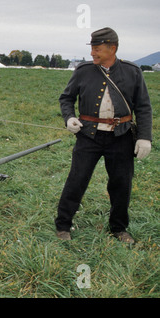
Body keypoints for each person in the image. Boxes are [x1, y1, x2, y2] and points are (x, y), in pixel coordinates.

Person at [55, 27, 152, 243]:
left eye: (97, 49)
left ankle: (119, 228)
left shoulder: (133, 72)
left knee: (121, 184)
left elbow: (144, 107)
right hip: (88, 136)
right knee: (76, 180)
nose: (92, 54)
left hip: (122, 136)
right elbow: (66, 98)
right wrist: (69, 117)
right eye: (92, 49)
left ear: (112, 48)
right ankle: (63, 226)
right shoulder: (83, 70)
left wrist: (145, 137)